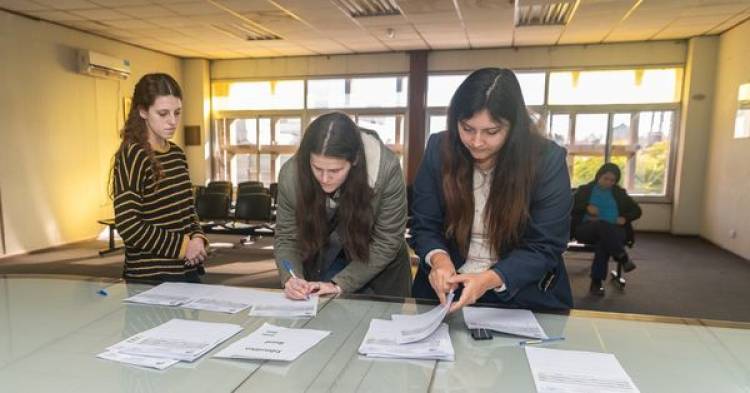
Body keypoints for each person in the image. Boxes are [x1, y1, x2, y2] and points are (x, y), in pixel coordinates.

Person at [410, 68, 573, 312]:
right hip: (446, 292)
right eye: (467, 128)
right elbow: (425, 223)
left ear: (514, 127)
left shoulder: (546, 159)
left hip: (521, 292)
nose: (476, 142)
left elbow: (545, 244)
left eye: (491, 132)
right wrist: (439, 260)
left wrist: (487, 279)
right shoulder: (439, 148)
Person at [274, 112, 412, 299]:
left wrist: (341, 284)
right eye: (317, 168)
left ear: (355, 160)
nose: (324, 178)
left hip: (377, 266)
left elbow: (386, 241)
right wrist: (292, 278)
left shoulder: (386, 169)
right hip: (321, 259)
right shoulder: (291, 175)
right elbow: (287, 237)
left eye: (334, 170)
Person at [112, 73, 208, 282]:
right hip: (151, 277)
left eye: (177, 113)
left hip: (187, 270)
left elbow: (188, 211)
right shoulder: (133, 155)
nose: (172, 121)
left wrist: (198, 238)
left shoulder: (176, 153)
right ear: (143, 111)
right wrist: (183, 246)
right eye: (163, 113)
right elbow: (128, 225)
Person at [572, 163, 641, 296]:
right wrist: (586, 207)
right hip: (588, 229)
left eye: (612, 180)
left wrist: (625, 218)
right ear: (599, 176)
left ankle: (596, 283)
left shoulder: (619, 193)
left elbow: (637, 210)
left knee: (604, 242)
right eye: (605, 179)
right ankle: (622, 256)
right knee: (601, 225)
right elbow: (570, 205)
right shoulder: (585, 190)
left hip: (615, 230)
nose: (608, 183)